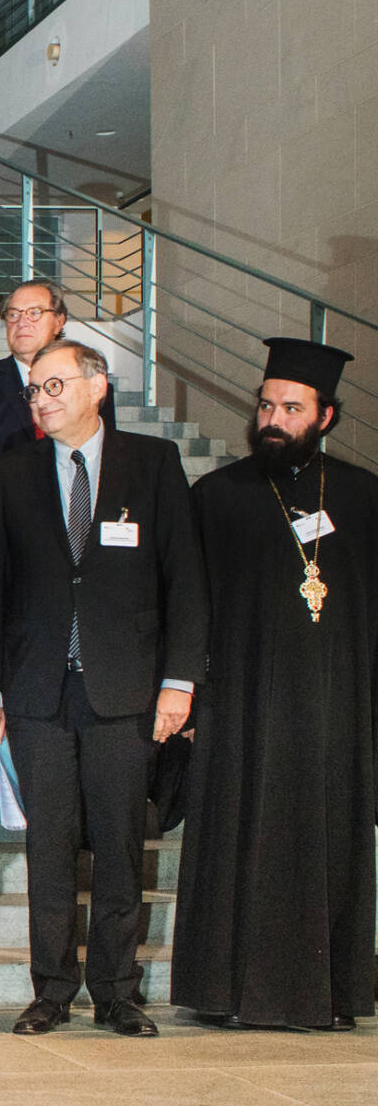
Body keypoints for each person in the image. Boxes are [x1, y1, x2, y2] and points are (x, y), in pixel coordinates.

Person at [0, 340, 206, 1039]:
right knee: (49, 846)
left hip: (125, 690)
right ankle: (51, 988)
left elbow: (186, 581)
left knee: (117, 844)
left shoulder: (153, 463)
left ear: (97, 386)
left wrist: (179, 682)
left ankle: (116, 990)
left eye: (54, 385)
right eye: (34, 391)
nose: (41, 400)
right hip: (38, 690)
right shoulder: (13, 470)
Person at [174, 337, 378, 1032]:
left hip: (335, 709)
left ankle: (325, 994)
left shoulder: (363, 496)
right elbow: (190, 604)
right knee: (239, 835)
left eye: (292, 407)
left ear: (326, 417)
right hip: (241, 707)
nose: (273, 418)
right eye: (266, 404)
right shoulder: (216, 496)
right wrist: (193, 693)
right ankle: (228, 991)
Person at [0, 279, 115, 468]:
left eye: (34, 313)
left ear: (58, 321)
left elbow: (105, 457)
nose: (22, 322)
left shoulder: (89, 385)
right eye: (13, 314)